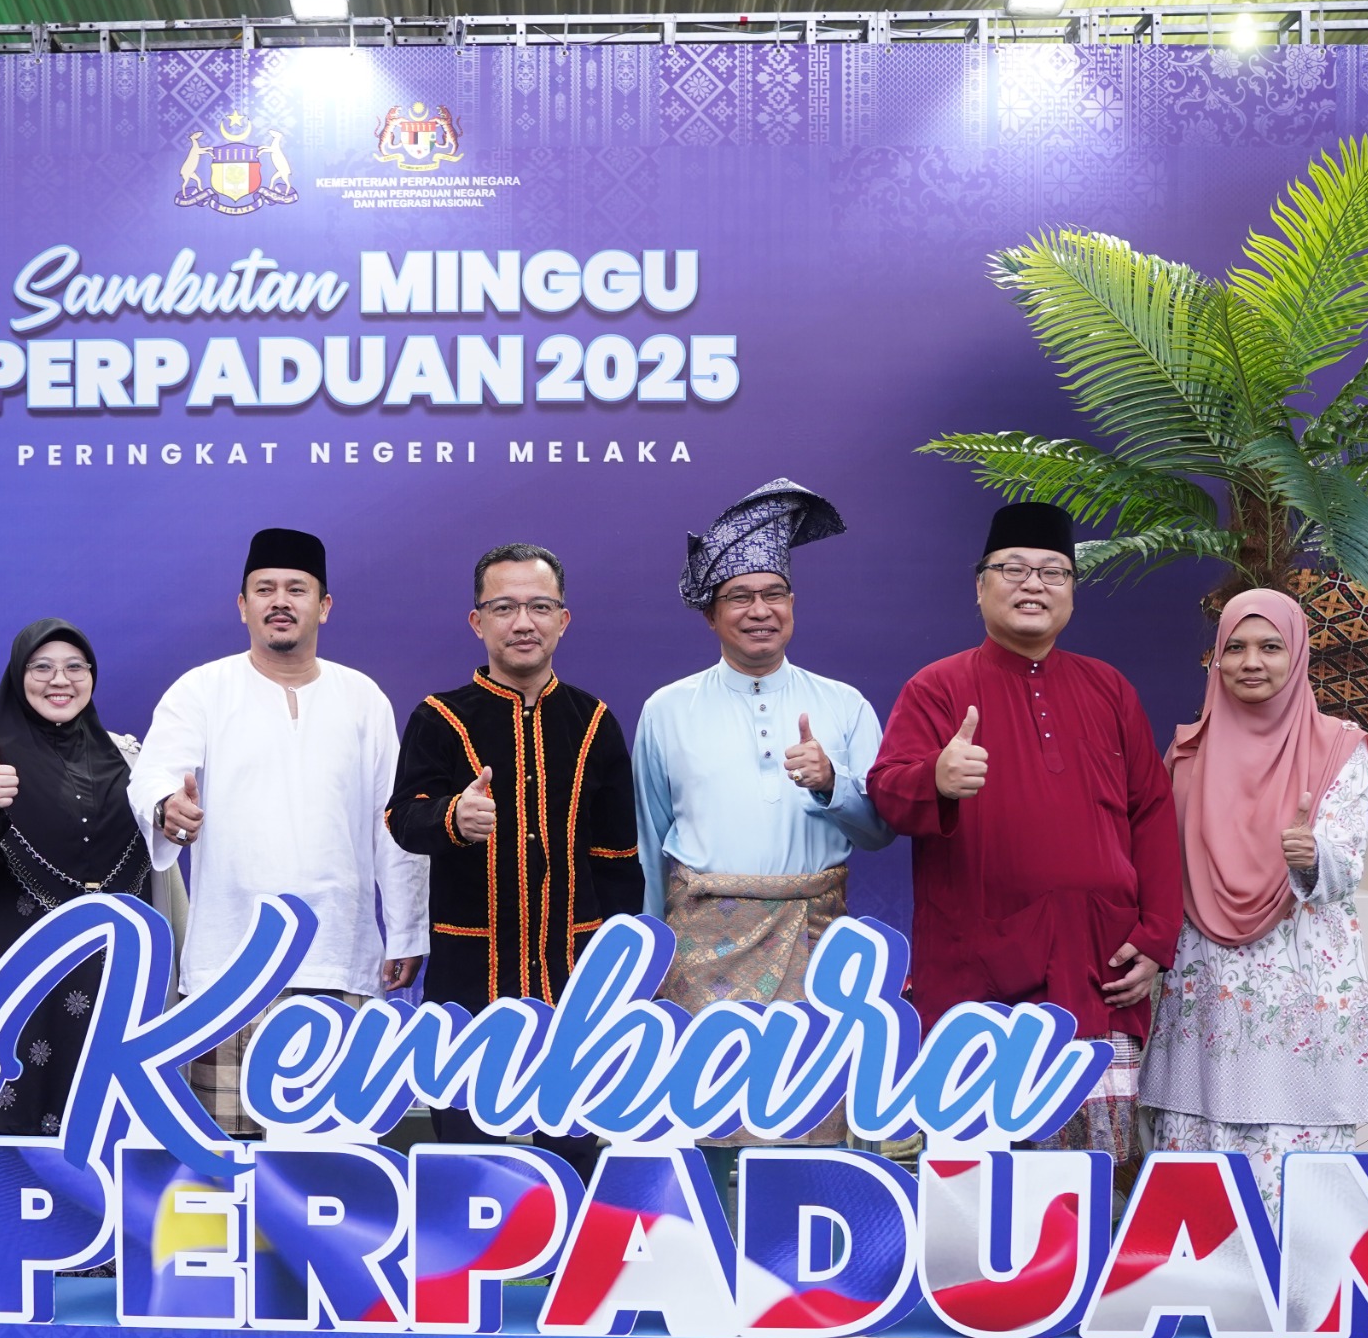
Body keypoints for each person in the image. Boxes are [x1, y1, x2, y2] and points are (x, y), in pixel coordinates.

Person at [869, 502, 1183, 1183]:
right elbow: (887, 793)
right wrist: (935, 778)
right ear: (980, 586)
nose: (1034, 584)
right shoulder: (937, 688)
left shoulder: (1109, 689)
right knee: (979, 1181)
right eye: (1014, 569)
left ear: (1071, 591)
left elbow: (1153, 814)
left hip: (1098, 968)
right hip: (977, 977)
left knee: (1097, 1181)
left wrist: (1158, 936)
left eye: (1053, 572)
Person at [128, 528, 428, 1133]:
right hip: (231, 966)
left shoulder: (362, 698)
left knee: (330, 1155)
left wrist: (405, 929)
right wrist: (167, 807)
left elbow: (392, 822)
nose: (280, 601)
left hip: (339, 956)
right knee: (228, 1155)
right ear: (243, 606)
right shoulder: (203, 689)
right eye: (264, 589)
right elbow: (155, 774)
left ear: (325, 605)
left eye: (297, 588)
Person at [633, 479, 895, 1157]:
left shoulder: (843, 705)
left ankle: (806, 1228)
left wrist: (833, 783)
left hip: (813, 939)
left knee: (808, 1121)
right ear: (711, 614)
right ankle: (708, 1226)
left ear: (793, 605)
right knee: (702, 1128)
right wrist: (650, 960)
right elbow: (649, 843)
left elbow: (880, 829)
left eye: (774, 594)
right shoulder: (667, 709)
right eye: (739, 597)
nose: (759, 611)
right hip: (698, 950)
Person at [386, 542, 641, 1172]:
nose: (523, 622)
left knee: (573, 1150)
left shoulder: (594, 721)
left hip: (575, 977)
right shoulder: (439, 718)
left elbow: (616, 858)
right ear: (478, 621)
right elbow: (402, 819)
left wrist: (618, 971)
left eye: (539, 606)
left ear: (563, 619)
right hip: (470, 975)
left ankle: (567, 1240)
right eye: (504, 607)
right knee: (467, 1155)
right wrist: (453, 817)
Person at [1141, 590, 1368, 1217]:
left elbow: (1347, 861)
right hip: (1209, 987)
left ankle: (1295, 1266)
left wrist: (1312, 854)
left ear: (1296, 655)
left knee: (1291, 1158)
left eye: (1270, 647)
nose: (1252, 662)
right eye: (1236, 648)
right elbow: (1159, 866)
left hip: (1298, 982)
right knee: (1202, 1144)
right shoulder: (1187, 754)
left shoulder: (1340, 748)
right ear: (1216, 659)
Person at [0, 618, 156, 1139]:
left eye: (75, 667)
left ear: (92, 676)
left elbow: (153, 861)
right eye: (42, 667)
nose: (60, 680)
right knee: (18, 1110)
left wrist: (172, 819)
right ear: (18, 675)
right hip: (20, 970)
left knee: (106, 1118)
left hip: (111, 968)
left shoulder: (127, 760)